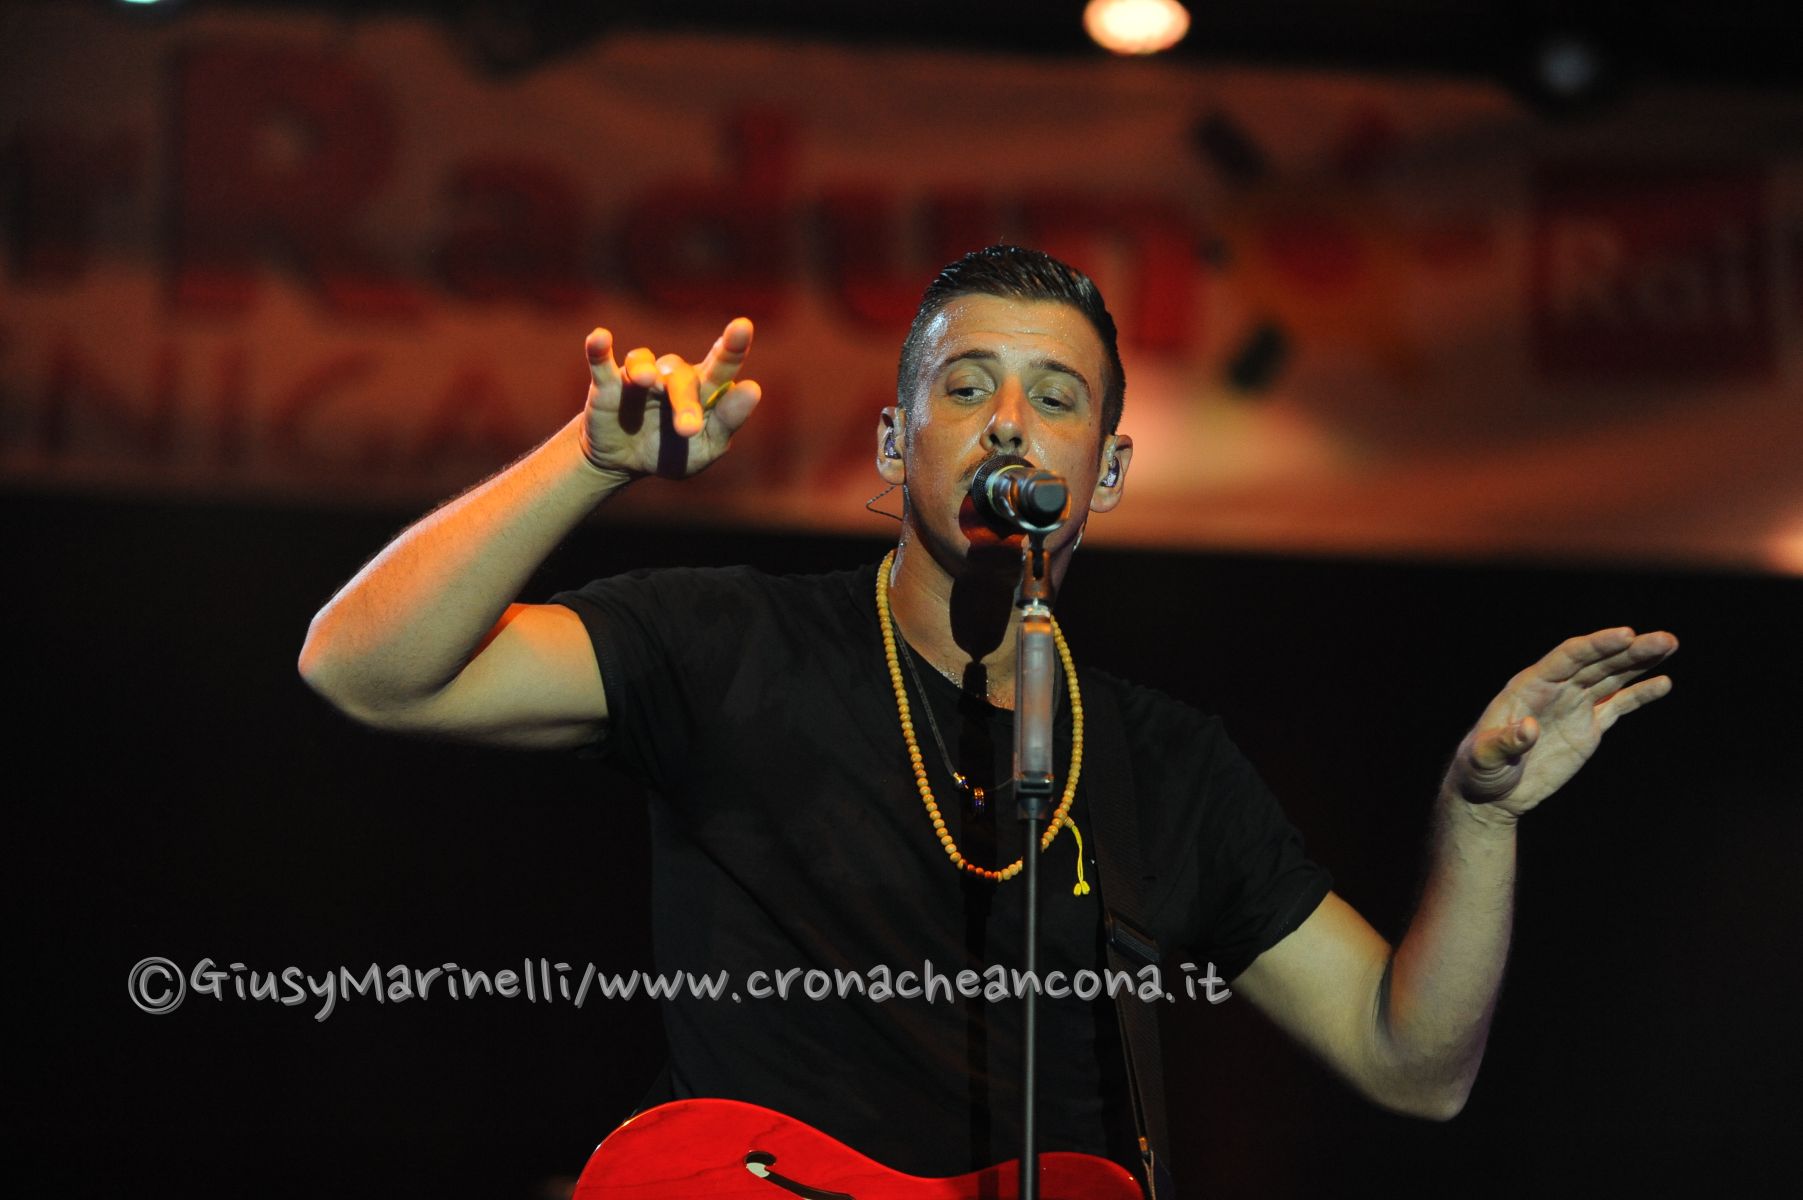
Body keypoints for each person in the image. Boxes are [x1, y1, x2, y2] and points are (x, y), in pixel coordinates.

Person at [298, 246, 1677, 1190]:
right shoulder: (727, 642)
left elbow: (1410, 1063)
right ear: (895, 442)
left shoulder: (1164, 766)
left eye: (1053, 398)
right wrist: (589, 463)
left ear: (1107, 472)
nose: (1008, 423)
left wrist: (1478, 821)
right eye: (965, 389)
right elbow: (365, 668)